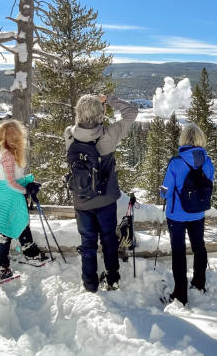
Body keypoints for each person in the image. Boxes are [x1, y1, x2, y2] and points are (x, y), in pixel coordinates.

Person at [65, 94, 138, 292]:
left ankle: (90, 283)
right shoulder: (109, 134)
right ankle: (112, 277)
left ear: (78, 112)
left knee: (87, 241)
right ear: (101, 112)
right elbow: (131, 112)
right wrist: (109, 100)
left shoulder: (69, 135)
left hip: (81, 199)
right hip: (105, 199)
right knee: (108, 239)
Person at [160, 123, 214, 306]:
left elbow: (166, 190)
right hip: (197, 213)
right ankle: (199, 284)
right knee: (199, 247)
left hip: (177, 214)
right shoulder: (207, 162)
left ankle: (180, 293)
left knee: (178, 251)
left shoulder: (176, 162)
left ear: (184, 139)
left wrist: (162, 192)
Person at [0, 119, 46, 281]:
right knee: (8, 229)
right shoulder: (7, 154)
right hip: (12, 195)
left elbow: (10, 178)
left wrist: (27, 180)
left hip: (5, 193)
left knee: (17, 223)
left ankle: (29, 254)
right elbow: (11, 182)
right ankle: (1, 267)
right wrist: (26, 189)